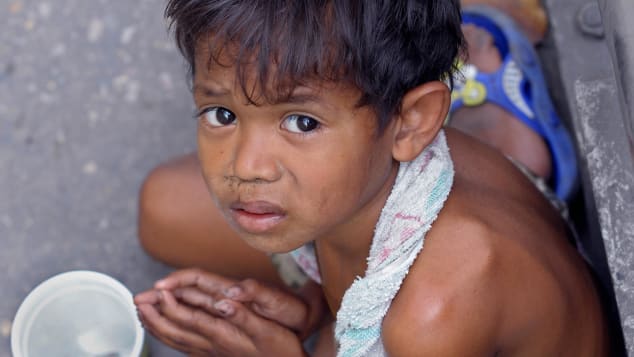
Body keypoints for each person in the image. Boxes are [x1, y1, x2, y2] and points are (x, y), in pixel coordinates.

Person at [134, 0, 609, 355]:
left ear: (412, 122)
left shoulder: (431, 316)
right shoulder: (359, 181)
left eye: (302, 122)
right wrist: (313, 304)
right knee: (162, 208)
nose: (245, 167)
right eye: (221, 113)